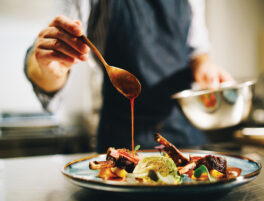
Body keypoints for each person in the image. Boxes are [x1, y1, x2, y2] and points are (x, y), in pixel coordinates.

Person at [25, 0, 234, 153]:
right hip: (123, 141)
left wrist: (204, 65)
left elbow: (197, 49)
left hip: (186, 135)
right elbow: (46, 57)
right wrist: (48, 68)